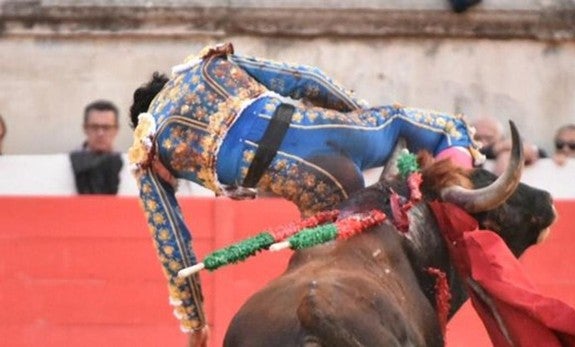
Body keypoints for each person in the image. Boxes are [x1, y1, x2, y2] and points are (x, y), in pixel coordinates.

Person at [128, 42, 484, 346]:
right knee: (451, 128)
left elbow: (173, 245)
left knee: (329, 260)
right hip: (338, 132)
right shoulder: (207, 66)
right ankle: (457, 196)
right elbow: (306, 79)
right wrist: (359, 115)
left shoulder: (149, 146)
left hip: (314, 185)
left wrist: (195, 324)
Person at [70, 100, 123, 194]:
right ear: (85, 128)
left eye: (106, 127)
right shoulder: (68, 164)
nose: (100, 133)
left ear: (116, 129)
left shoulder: (129, 166)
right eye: (95, 127)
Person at [472, 116, 545, 174]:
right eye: (477, 138)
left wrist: (507, 153)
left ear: (501, 136)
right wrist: (495, 149)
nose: (483, 143)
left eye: (489, 138)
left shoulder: (507, 147)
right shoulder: (467, 149)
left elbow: (538, 153)